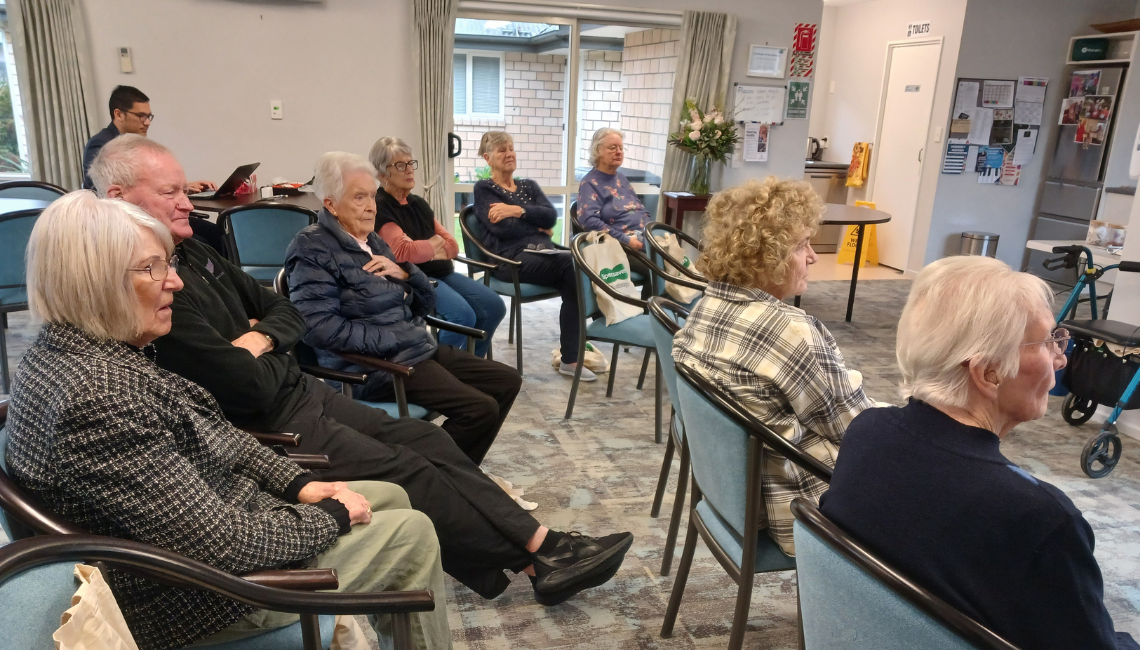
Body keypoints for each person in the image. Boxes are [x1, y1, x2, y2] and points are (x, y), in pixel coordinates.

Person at [88, 134, 633, 605]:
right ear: (118, 199)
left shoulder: (191, 255)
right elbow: (249, 377)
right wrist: (268, 343)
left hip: (304, 388)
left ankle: (540, 549)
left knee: (429, 440)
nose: (188, 202)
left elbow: (284, 313)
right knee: (412, 466)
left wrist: (258, 337)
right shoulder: (151, 288)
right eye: (171, 193)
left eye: (185, 189)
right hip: (274, 420)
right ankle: (539, 556)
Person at [4, 191, 450, 650]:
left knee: (393, 494)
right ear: (94, 281)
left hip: (207, 537)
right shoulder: (99, 397)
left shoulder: (81, 349)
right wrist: (331, 514)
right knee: (411, 534)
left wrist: (299, 484)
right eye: (153, 267)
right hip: (190, 595)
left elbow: (216, 435)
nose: (175, 282)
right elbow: (225, 546)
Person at [820, 255, 1138, 650]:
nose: (1061, 358)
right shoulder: (1039, 517)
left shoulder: (868, 431)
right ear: (988, 372)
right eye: (1047, 341)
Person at [673, 178, 878, 556]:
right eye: (802, 245)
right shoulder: (789, 331)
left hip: (733, 501)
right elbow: (857, 430)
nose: (813, 256)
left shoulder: (703, 310)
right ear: (765, 254)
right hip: (801, 512)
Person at [286, 151, 521, 465]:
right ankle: (436, 475)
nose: (371, 206)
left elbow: (425, 303)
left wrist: (407, 274)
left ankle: (452, 473)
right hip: (370, 368)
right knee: (478, 409)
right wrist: (393, 338)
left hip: (411, 348)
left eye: (371, 196)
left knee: (507, 381)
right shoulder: (311, 248)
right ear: (331, 203)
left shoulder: (373, 241)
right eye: (359, 198)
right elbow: (316, 327)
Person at [473, 131, 593, 381]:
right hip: (509, 260)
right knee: (571, 266)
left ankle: (571, 356)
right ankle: (571, 358)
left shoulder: (528, 185)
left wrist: (516, 209)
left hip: (544, 255)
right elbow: (502, 230)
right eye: (501, 150)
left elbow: (550, 217)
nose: (509, 154)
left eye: (511, 148)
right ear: (487, 158)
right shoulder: (484, 188)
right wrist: (536, 226)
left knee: (578, 269)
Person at [370, 136, 505, 358]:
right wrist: (432, 248)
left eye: (411, 163)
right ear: (382, 174)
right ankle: (438, 365)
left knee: (494, 306)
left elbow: (451, 246)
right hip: (413, 277)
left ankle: (472, 363)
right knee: (463, 316)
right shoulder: (381, 205)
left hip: (443, 273)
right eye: (400, 165)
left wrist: (424, 250)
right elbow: (404, 253)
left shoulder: (419, 203)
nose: (409, 170)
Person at [81, 85, 214, 193]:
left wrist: (182, 187)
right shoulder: (101, 144)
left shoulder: (134, 143)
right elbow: (102, 190)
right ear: (118, 114)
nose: (147, 123)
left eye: (149, 117)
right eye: (141, 116)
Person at [577, 128, 653, 253]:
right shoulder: (590, 183)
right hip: (622, 247)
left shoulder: (621, 179)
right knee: (671, 267)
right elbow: (588, 221)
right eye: (612, 148)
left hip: (645, 238)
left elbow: (640, 210)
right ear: (597, 150)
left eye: (621, 148)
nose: (618, 152)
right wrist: (625, 240)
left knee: (681, 262)